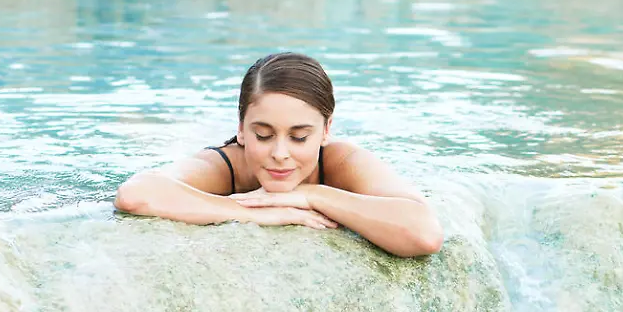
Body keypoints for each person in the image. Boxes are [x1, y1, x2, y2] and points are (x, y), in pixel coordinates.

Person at [113, 52, 443, 258]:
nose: (280, 154)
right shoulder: (226, 166)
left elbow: (424, 233)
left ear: (326, 130)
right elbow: (135, 194)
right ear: (241, 128)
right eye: (263, 135)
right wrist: (252, 212)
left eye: (299, 137)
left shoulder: (340, 161)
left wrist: (311, 195)